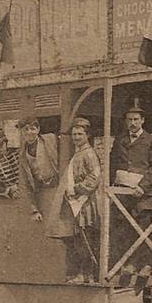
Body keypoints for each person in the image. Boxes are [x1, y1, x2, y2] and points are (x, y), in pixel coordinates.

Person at [110, 100, 152, 273]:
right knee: (124, 229)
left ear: (142, 121)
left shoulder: (151, 140)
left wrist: (142, 186)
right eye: (129, 120)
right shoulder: (120, 139)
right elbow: (113, 164)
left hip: (144, 194)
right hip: (123, 194)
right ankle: (129, 264)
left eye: (135, 119)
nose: (132, 123)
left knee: (143, 228)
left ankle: (146, 265)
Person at [46, 117, 101, 284]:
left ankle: (87, 274)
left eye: (80, 134)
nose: (76, 137)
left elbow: (94, 179)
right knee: (76, 240)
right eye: (74, 134)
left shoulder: (89, 154)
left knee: (84, 240)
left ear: (87, 135)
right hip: (75, 203)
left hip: (84, 203)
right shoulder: (78, 154)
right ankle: (81, 274)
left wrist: (75, 189)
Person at [0, 125, 42, 221]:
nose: (0, 148)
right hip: (10, 201)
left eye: (1, 144)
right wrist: (9, 191)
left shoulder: (18, 153)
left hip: (31, 194)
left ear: (6, 142)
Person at [18, 116, 59, 189]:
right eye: (25, 129)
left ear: (38, 129)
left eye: (32, 129)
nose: (29, 132)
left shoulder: (50, 139)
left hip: (55, 182)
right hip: (38, 187)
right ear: (21, 131)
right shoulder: (22, 152)